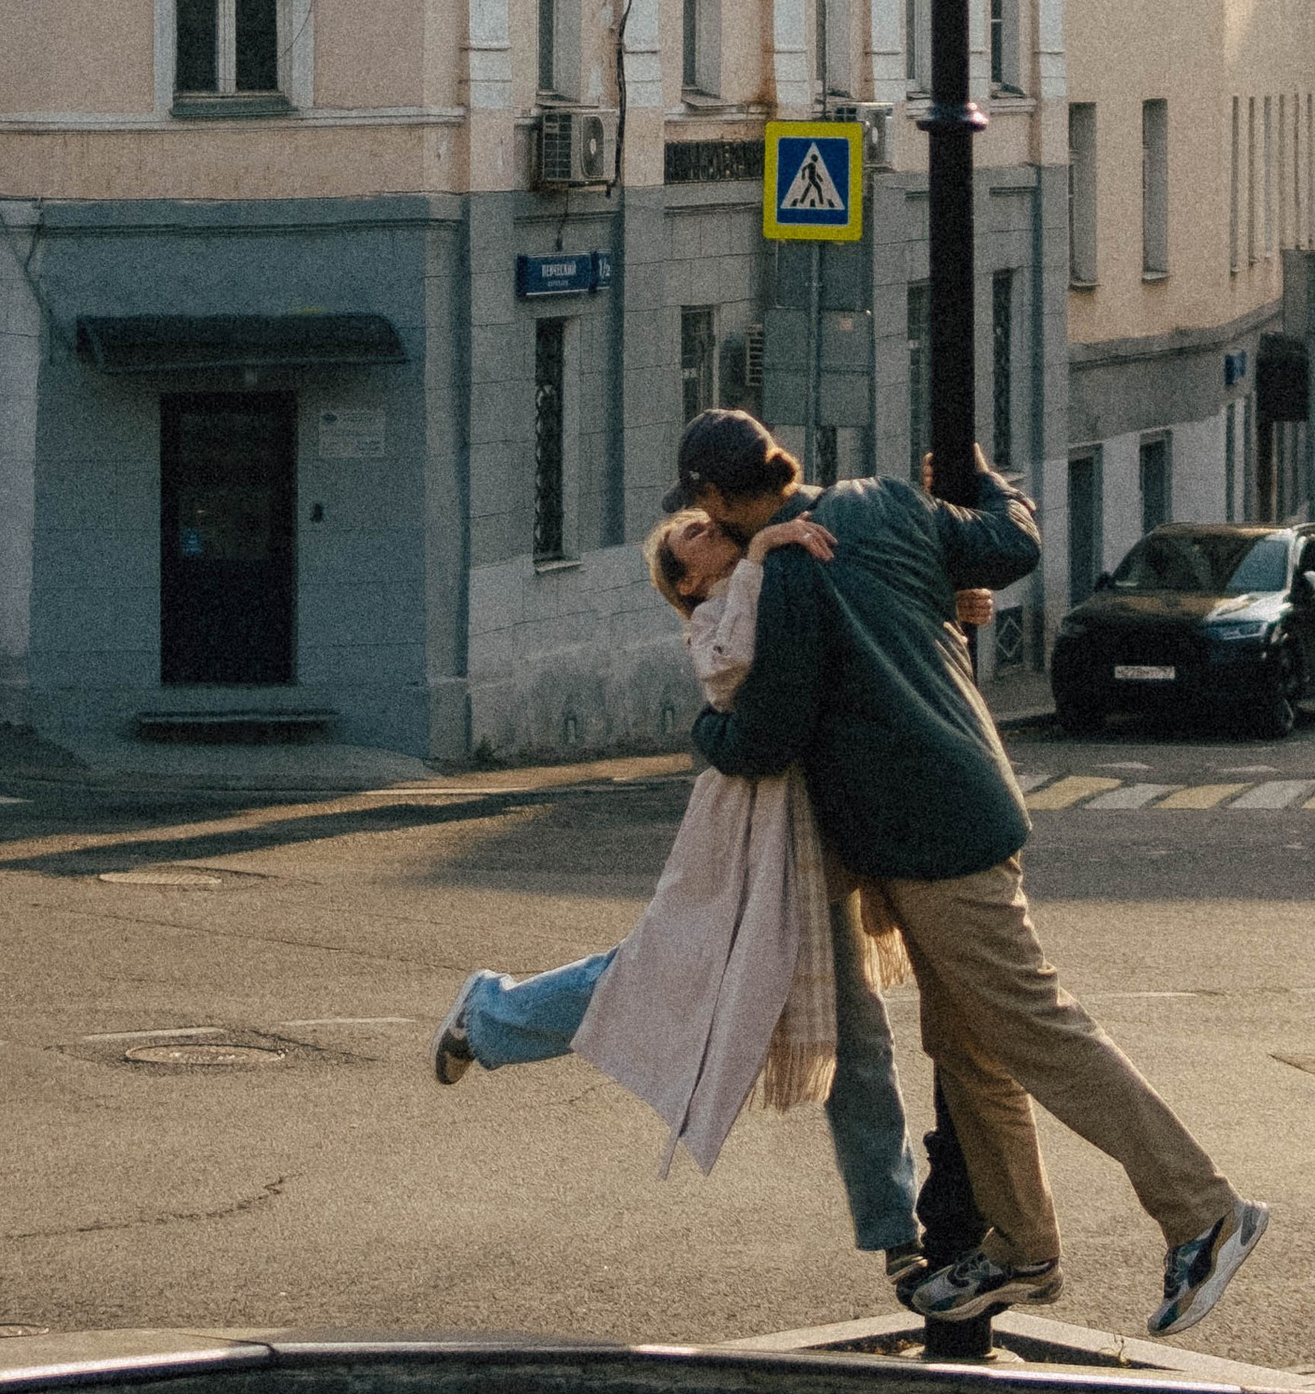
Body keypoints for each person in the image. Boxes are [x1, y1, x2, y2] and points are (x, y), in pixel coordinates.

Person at [672, 408, 1271, 1340]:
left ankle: (1204, 1213)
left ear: (714, 495)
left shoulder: (791, 568)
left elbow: (764, 736)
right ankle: (1023, 1246)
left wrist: (701, 728)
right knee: (970, 1046)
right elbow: (1012, 542)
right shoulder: (886, 503)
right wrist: (984, 476)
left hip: (929, 836)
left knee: (1038, 1029)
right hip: (968, 799)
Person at [430, 508, 924, 1291]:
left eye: (703, 519)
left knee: (858, 1038)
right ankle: (487, 1013)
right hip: (746, 846)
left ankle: (899, 1232)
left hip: (818, 845)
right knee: (654, 980)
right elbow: (732, 668)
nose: (702, 524)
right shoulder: (713, 617)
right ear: (688, 582)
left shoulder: (789, 567)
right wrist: (759, 551)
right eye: (685, 533)